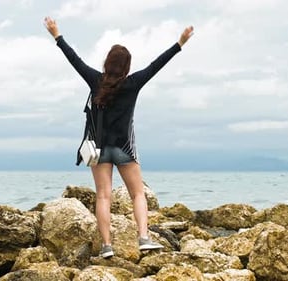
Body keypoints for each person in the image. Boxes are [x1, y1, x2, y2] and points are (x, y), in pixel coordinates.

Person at [44, 16, 194, 258]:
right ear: (126, 67)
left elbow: (74, 60)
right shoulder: (133, 83)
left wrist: (57, 35)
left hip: (99, 149)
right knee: (137, 194)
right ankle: (143, 238)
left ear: (107, 64)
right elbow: (157, 65)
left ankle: (106, 246)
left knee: (103, 195)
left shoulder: (95, 81)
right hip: (124, 148)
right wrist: (180, 43)